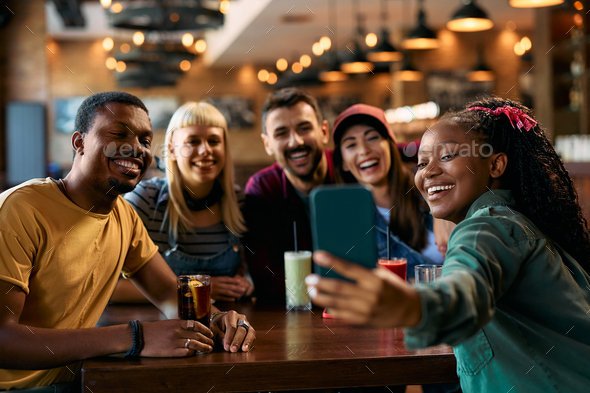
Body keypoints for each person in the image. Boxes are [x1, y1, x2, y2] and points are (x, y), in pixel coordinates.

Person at [305, 97, 590, 392]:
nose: (428, 172)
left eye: (448, 156)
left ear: (495, 165)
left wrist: (412, 305)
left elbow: (465, 288)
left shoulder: (485, 226)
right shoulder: (515, 219)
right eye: (422, 162)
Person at [0, 92, 256, 391]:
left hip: (76, 378)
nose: (135, 148)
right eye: (119, 133)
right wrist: (136, 336)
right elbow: (2, 339)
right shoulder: (19, 209)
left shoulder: (123, 214)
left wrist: (220, 320)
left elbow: (169, 296)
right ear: (79, 143)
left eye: (145, 141)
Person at [119, 101, 253, 302]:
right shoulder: (145, 200)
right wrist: (197, 291)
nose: (205, 150)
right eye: (193, 142)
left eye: (214, 141)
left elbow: (251, 272)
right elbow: (112, 287)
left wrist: (245, 285)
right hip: (159, 329)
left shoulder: (239, 202)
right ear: (172, 150)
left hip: (225, 326)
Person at [242, 87, 333, 302]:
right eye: (282, 133)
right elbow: (267, 279)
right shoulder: (262, 189)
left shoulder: (349, 169)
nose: (296, 142)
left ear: (324, 132)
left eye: (304, 128)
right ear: (267, 144)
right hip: (294, 315)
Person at [332, 104, 444, 273]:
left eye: (372, 138)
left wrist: (445, 212)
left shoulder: (432, 185)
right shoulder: (348, 220)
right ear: (343, 163)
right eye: (351, 145)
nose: (364, 150)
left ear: (390, 146)